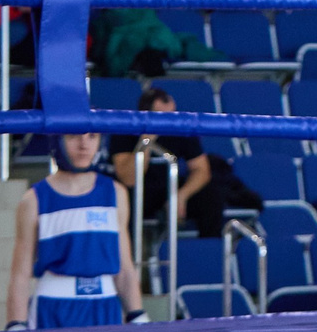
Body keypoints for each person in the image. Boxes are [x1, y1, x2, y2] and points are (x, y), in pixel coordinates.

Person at [5, 130, 141, 329]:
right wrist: (16, 324)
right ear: (57, 140)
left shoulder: (116, 193)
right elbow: (20, 273)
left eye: (92, 136)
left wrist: (137, 315)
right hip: (52, 308)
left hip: (105, 306)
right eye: (74, 136)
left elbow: (125, 267)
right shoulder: (34, 200)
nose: (84, 145)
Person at [109, 86, 262, 239]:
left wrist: (180, 196)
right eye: (160, 116)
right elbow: (129, 179)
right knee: (124, 199)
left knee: (211, 194)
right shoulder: (126, 128)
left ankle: (209, 252)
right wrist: (147, 139)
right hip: (139, 192)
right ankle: (128, 256)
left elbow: (202, 170)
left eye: (170, 115)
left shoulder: (180, 127)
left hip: (170, 189)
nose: (167, 120)